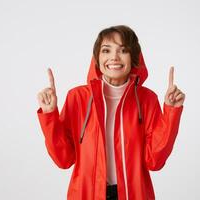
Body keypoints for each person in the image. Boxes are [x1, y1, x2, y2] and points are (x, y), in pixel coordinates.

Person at [37, 25, 185, 200]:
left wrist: (171, 112)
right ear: (97, 59)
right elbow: (63, 159)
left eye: (123, 50)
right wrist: (49, 114)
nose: (114, 57)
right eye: (106, 50)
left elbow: (155, 161)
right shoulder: (77, 98)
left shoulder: (147, 99)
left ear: (134, 57)